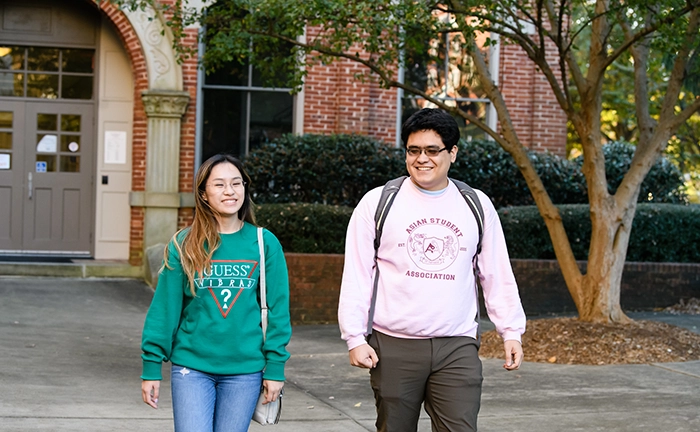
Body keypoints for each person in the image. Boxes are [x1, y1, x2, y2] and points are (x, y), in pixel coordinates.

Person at [338, 108, 526, 432]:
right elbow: (357, 273)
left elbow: (496, 273)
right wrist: (354, 337)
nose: (421, 159)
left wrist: (511, 331)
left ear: (452, 153)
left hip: (457, 345)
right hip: (394, 344)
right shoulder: (378, 203)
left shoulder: (476, 205)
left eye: (432, 150)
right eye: (413, 151)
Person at [140, 154, 291, 432]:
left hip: (244, 371)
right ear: (204, 194)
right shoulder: (184, 244)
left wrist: (275, 368)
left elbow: (278, 311)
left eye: (236, 183)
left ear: (245, 189)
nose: (230, 191)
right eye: (219, 185)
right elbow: (165, 310)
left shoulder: (264, 243)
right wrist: (151, 366)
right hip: (191, 368)